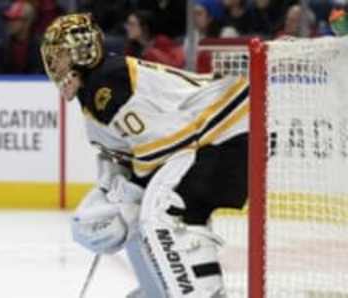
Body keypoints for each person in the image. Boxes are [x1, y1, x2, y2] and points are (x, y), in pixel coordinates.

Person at [41, 14, 248, 298]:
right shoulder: (94, 95)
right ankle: (158, 291)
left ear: (82, 53)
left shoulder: (107, 83)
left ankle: (202, 293)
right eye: (52, 59)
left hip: (228, 128)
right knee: (141, 214)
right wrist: (110, 195)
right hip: (214, 134)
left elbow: (163, 146)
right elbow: (124, 158)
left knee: (165, 212)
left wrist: (131, 193)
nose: (54, 67)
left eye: (60, 57)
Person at [0, 0, 43, 74]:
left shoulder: (41, 47)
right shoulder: (0, 47)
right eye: (8, 19)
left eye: (14, 19)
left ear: (27, 22)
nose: (9, 23)